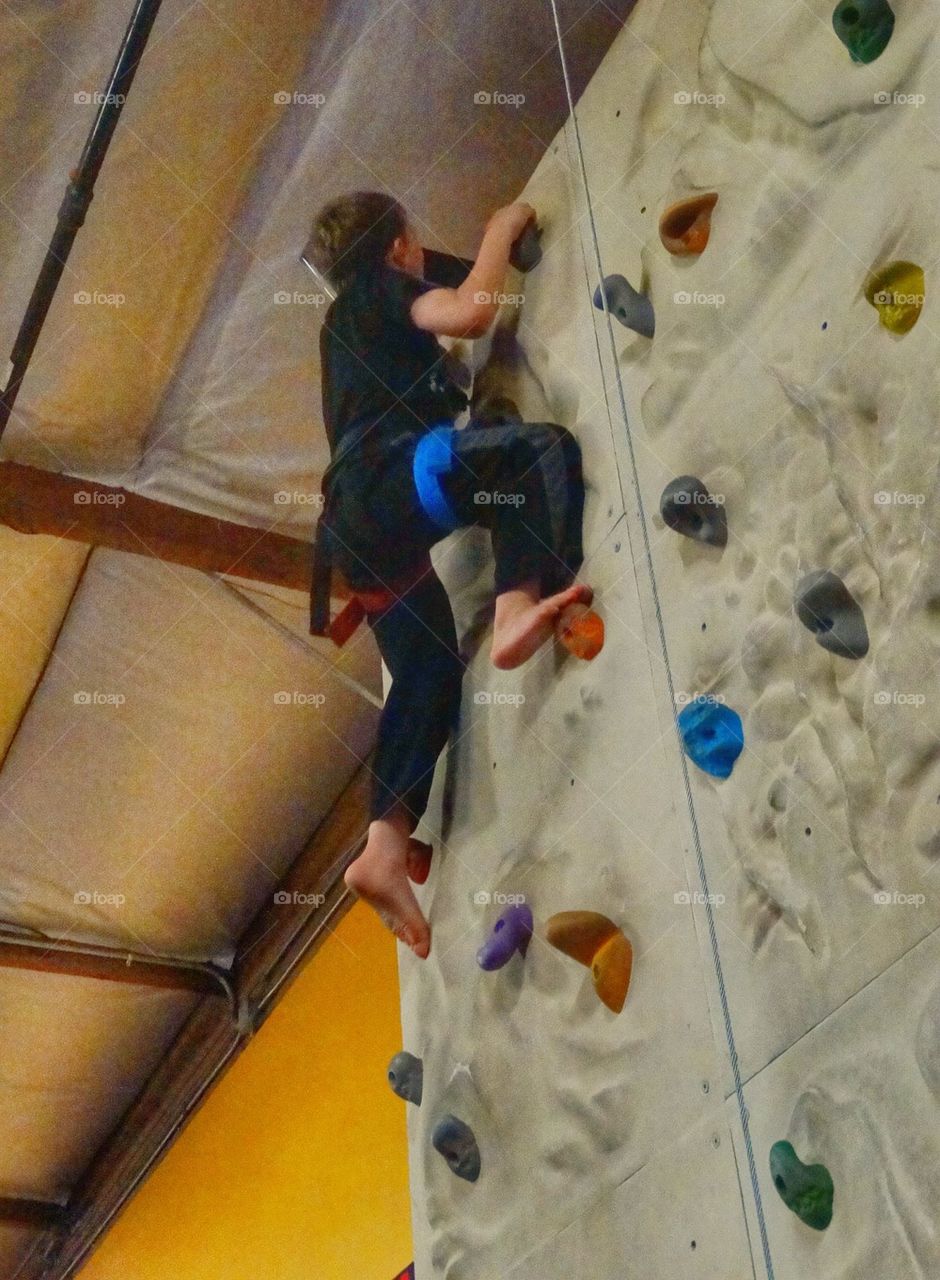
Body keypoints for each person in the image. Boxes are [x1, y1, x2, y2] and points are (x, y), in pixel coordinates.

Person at [307, 190, 599, 959]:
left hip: (358, 536)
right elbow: (471, 311)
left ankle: (384, 844)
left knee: (429, 671)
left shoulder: (346, 326)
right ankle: (516, 608)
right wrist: (501, 227)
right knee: (536, 453)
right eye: (411, 242)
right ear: (400, 245)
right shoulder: (379, 289)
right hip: (393, 480)